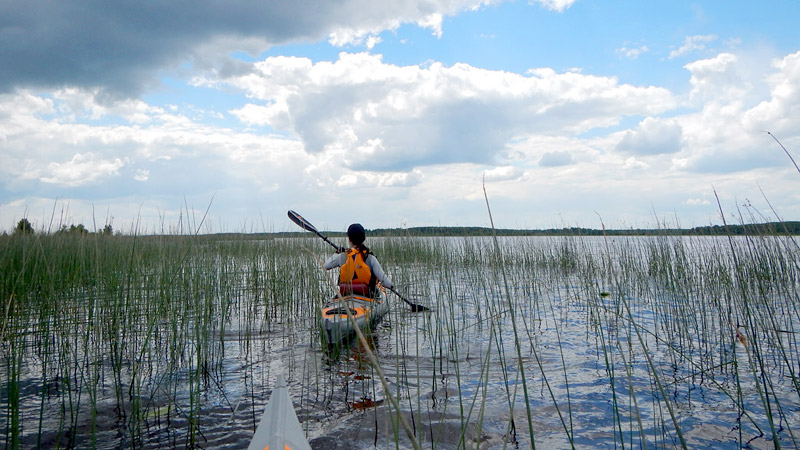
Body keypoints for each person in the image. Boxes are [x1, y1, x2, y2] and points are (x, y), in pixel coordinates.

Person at [324, 223, 393, 297]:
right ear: (363, 238)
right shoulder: (370, 258)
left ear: (349, 239)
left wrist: (336, 254)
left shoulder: (342, 256)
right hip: (367, 297)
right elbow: (385, 282)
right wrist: (392, 287)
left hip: (346, 295)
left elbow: (325, 266)